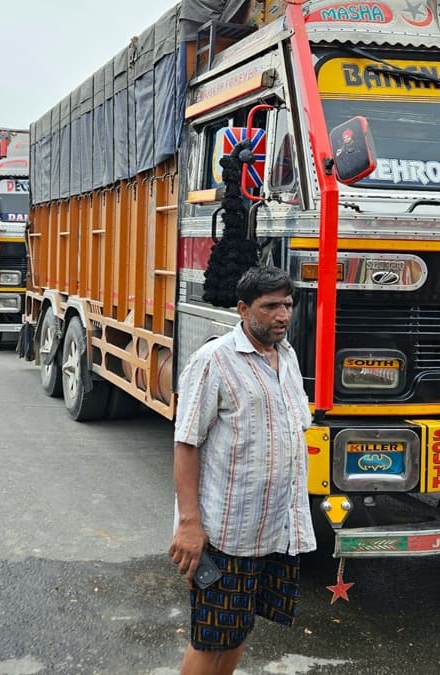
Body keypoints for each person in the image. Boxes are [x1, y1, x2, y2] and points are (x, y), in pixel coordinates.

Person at [168, 266, 316, 675]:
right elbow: (186, 443)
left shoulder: (286, 356)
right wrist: (189, 524)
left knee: (239, 629)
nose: (283, 315)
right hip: (224, 534)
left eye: (287, 304)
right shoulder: (214, 360)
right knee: (210, 637)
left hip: (272, 530)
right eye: (270, 306)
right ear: (243, 308)